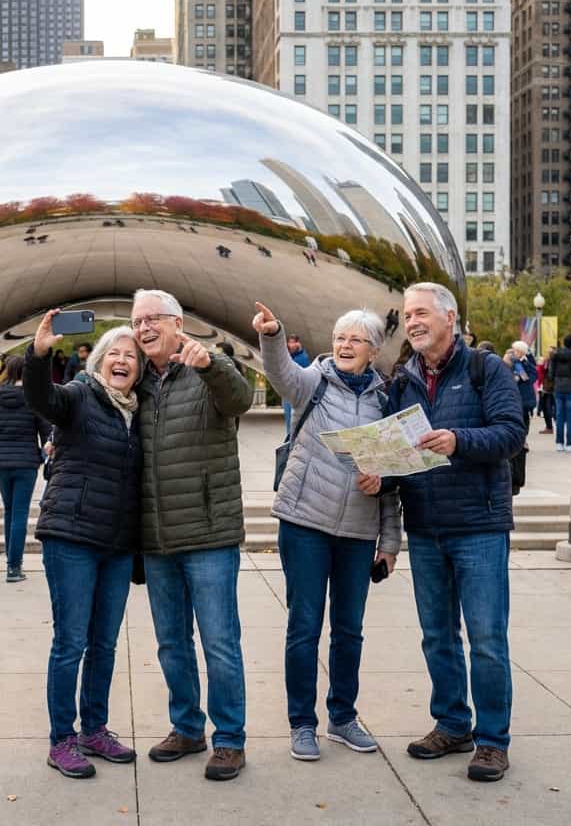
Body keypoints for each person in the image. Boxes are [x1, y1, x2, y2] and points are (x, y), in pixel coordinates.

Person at [367, 281, 525, 783]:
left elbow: (511, 432)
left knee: (486, 639)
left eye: (421, 314)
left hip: (478, 526)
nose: (411, 322)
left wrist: (459, 440)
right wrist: (379, 474)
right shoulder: (402, 378)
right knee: (437, 638)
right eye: (407, 315)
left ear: (449, 318)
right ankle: (452, 723)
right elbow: (400, 454)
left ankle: (492, 741)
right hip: (426, 528)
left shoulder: (485, 368)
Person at [254, 302, 401, 761]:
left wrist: (391, 541)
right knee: (303, 626)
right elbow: (281, 374)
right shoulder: (314, 382)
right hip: (305, 523)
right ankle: (302, 723)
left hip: (359, 530)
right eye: (340, 338)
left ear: (373, 351)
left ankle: (342, 716)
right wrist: (273, 333)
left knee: (349, 630)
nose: (344, 346)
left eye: (355, 340)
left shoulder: (386, 400)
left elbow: (394, 476)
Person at [131, 288, 253, 782]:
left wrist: (212, 365)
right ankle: (186, 727)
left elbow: (240, 399)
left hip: (208, 533)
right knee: (171, 643)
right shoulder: (136, 382)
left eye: (151, 320)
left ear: (177, 323)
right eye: (137, 322)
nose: (143, 329)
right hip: (157, 538)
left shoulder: (208, 367)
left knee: (220, 641)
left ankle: (229, 740)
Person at [24, 314, 144, 779]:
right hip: (72, 536)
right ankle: (62, 739)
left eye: (130, 356)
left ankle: (95, 728)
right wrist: (37, 356)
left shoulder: (138, 411)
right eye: (113, 352)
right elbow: (42, 398)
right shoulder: (79, 395)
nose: (122, 360)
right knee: (70, 642)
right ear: (98, 361)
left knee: (105, 643)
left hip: (116, 544)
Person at [0, 354, 51, 583]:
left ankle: (11, 560)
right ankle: (14, 567)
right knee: (19, 513)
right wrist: (40, 456)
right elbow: (47, 434)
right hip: (26, 463)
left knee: (10, 511)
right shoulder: (33, 398)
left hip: (1, 464)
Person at [548, 334, 571, 451]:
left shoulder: (555, 356)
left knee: (559, 416)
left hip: (558, 388)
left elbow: (550, 373)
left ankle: (559, 443)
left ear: (564, 343)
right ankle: (570, 444)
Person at [282, 334, 312, 437]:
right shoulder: (288, 356)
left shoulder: (302, 357)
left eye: (293, 342)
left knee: (297, 425)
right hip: (288, 396)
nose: (291, 345)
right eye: (289, 342)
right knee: (289, 425)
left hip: (298, 396)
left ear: (298, 343)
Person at [508, 342, 538, 432]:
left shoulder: (526, 363)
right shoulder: (513, 362)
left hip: (524, 395)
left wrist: (520, 372)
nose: (513, 353)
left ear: (521, 352)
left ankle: (523, 436)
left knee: (524, 416)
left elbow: (527, 377)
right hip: (515, 395)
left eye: (515, 351)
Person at [537, 348, 556, 433]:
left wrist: (540, 366)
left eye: (549, 352)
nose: (547, 354)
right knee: (549, 406)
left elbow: (548, 374)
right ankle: (550, 426)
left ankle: (549, 427)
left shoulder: (549, 361)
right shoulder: (552, 361)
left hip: (548, 387)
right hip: (551, 386)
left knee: (546, 407)